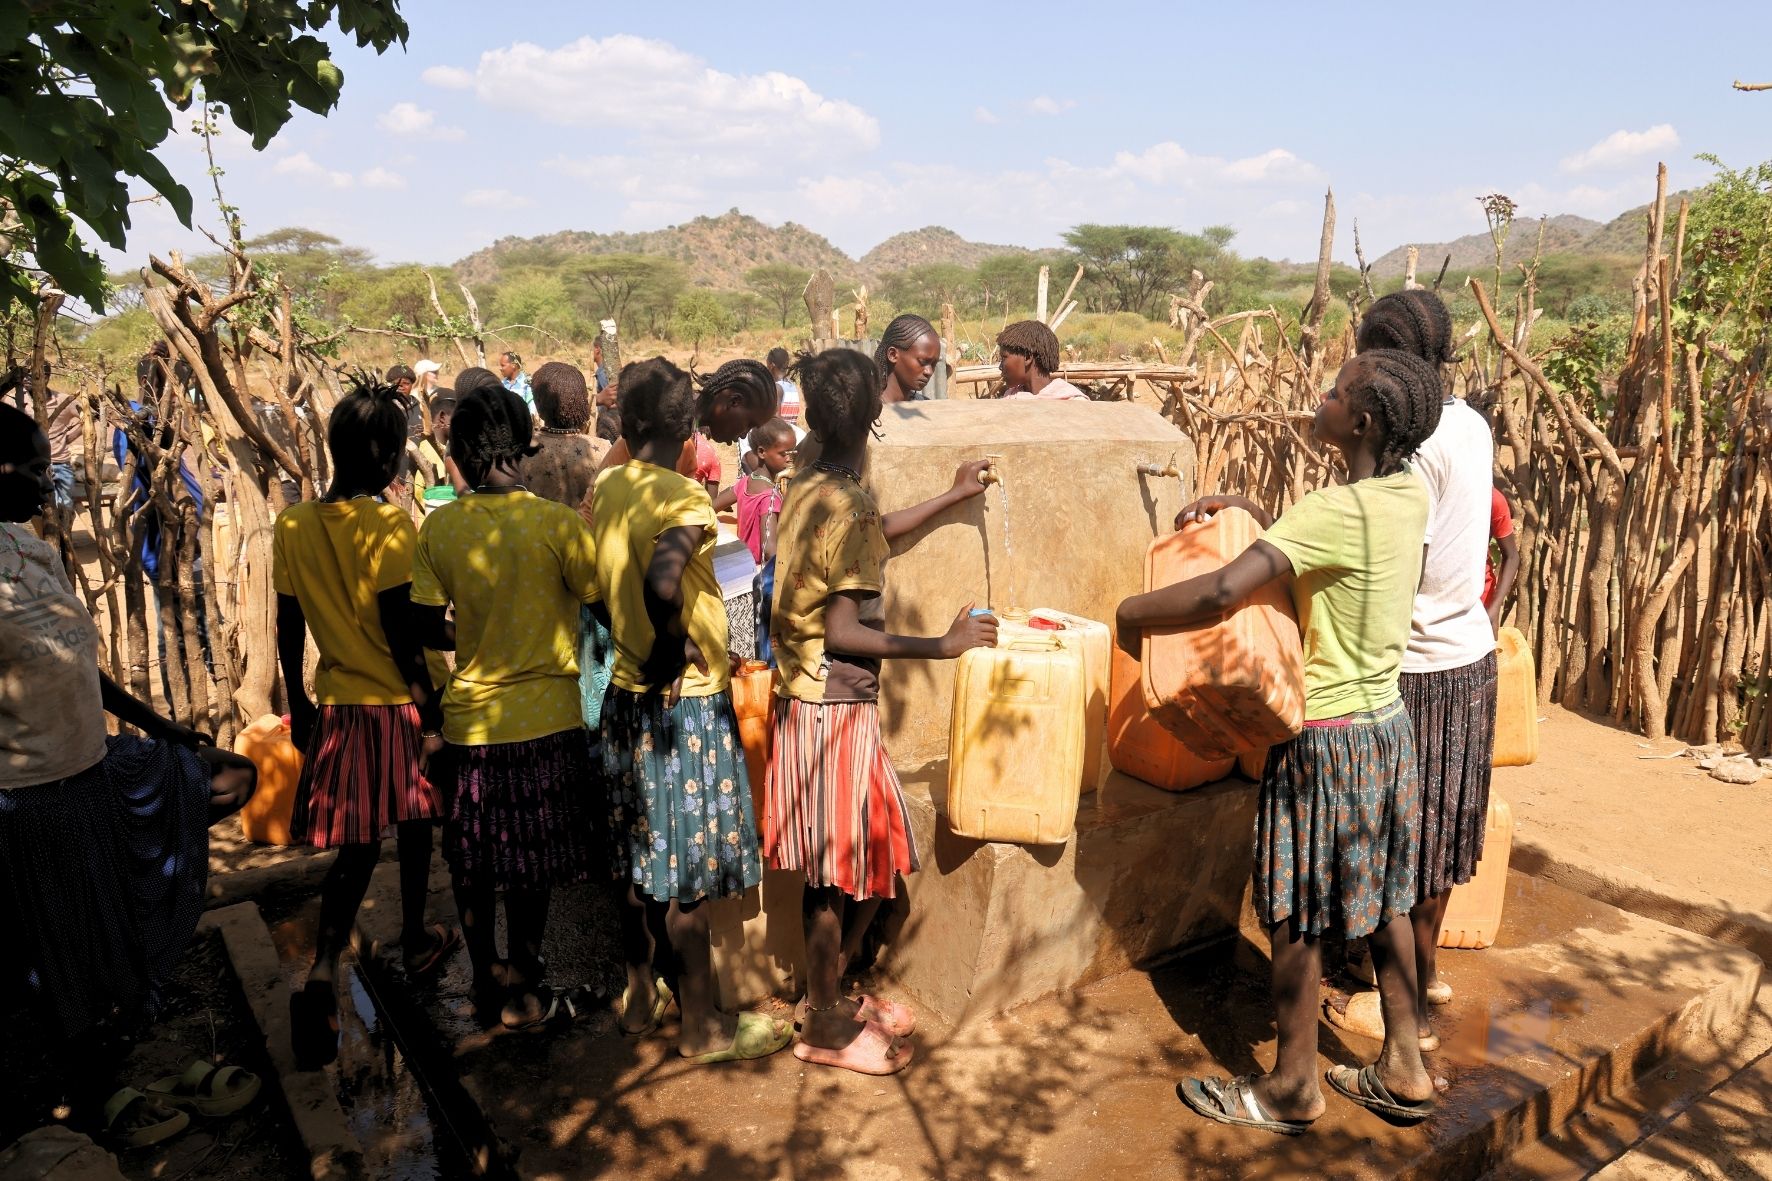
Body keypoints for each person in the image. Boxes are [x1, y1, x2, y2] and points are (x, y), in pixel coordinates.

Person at [1117, 350, 1444, 1133]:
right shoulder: (1407, 493)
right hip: (1385, 733)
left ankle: (1292, 1086)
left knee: (1294, 913)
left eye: (1333, 391)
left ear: (1360, 421)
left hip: (1322, 739)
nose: (1320, 396)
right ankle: (1405, 1065)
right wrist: (1258, 510)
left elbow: (1226, 588)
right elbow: (1332, 544)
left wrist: (1134, 614)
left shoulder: (1333, 512)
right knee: (1385, 898)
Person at [0, 403, 258, 1144]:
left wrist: (160, 727)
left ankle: (121, 1024)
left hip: (92, 771)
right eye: (29, 465)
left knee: (229, 777)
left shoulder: (31, 549)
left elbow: (80, 660)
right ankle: (95, 1097)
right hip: (29, 798)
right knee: (57, 952)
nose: (43, 482)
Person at [765, 348, 996, 1075]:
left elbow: (870, 535)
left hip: (804, 698)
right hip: (834, 704)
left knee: (859, 858)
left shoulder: (807, 480)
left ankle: (828, 994)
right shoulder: (847, 496)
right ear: (873, 414)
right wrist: (944, 642)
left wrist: (948, 496)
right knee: (839, 872)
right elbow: (843, 628)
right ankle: (826, 1025)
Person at [588, 357, 790, 1064]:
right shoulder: (684, 497)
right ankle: (703, 1027)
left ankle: (642, 990)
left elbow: (607, 580)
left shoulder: (608, 484)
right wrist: (673, 650)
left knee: (639, 858)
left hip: (623, 697)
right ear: (684, 427)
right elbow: (663, 577)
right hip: (685, 708)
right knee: (688, 878)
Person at [1325, 290, 1500, 1057]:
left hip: (1417, 665)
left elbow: (1389, 558)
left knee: (1402, 842)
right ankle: (1419, 978)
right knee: (1441, 832)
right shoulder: (1469, 424)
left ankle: (1404, 1017)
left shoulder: (1416, 449)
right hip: (1470, 653)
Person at [274, 379, 457, 1070]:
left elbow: (289, 625)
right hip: (398, 705)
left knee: (353, 849)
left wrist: (299, 703)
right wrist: (429, 707)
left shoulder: (292, 524)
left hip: (343, 709)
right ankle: (414, 934)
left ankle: (321, 968)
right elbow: (402, 628)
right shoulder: (388, 525)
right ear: (385, 457)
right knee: (414, 830)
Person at [411, 384, 601, 1030]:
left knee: (473, 859)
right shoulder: (558, 525)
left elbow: (423, 625)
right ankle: (524, 978)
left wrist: (471, 634)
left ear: (459, 450)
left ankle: (484, 977)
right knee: (533, 861)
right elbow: (597, 600)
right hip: (550, 720)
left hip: (472, 724)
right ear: (526, 443)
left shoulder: (441, 528)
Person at [578, 359, 778, 525]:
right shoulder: (655, 437)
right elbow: (591, 509)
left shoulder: (686, 444)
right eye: (749, 424)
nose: (744, 436)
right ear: (733, 401)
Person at [520, 361, 609, 508]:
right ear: (582, 402)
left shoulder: (522, 451)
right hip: (587, 530)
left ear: (538, 405)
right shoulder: (603, 450)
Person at [996, 320, 1087, 401]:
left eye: (1004, 358)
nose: (1000, 367)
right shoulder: (1010, 398)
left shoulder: (1072, 401)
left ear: (1027, 357)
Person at [876, 315, 941, 404]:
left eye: (933, 365)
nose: (929, 372)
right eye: (923, 361)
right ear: (893, 355)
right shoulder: (865, 412)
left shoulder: (926, 406)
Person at [1484, 488, 1519, 626]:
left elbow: (1512, 556)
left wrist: (1494, 608)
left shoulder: (1492, 499)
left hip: (1481, 602)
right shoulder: (1436, 493)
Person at [766, 347, 802, 424]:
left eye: (767, 366)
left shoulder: (777, 387)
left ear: (772, 366)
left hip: (780, 432)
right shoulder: (792, 386)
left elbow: (777, 417)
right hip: (792, 430)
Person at [497, 351, 536, 419]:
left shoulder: (527, 384)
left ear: (513, 365)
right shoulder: (501, 384)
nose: (501, 368)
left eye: (503, 365)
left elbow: (532, 408)